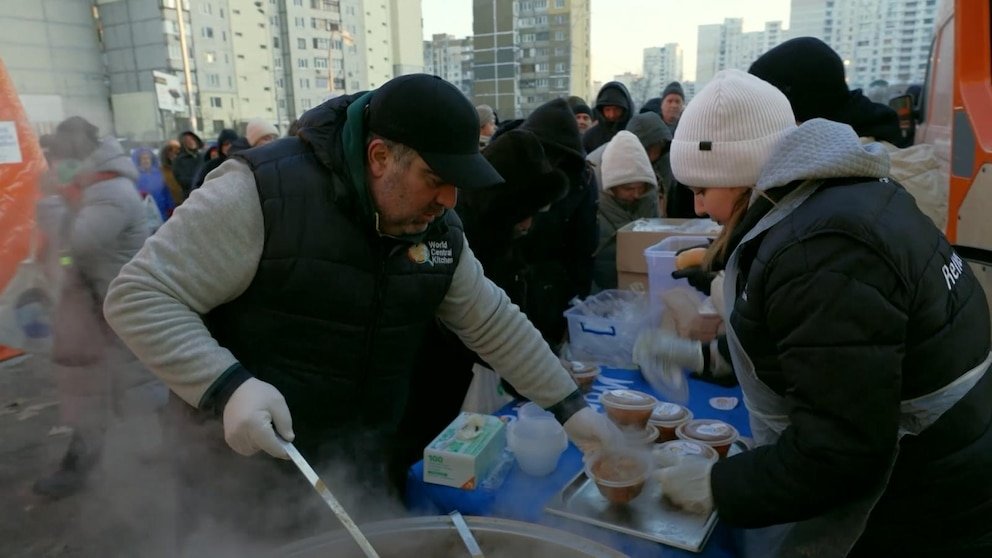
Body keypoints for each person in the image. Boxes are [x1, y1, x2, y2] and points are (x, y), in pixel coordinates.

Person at [103, 74, 617, 548]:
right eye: (435, 177)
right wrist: (227, 386)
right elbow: (139, 294)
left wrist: (570, 409)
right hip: (237, 474)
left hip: (353, 468)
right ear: (379, 156)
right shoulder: (261, 192)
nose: (449, 199)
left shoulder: (437, 230)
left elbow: (493, 321)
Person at [635, 69, 992, 557]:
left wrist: (719, 486)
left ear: (742, 174)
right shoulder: (831, 204)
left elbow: (841, 449)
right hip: (948, 463)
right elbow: (820, 351)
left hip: (925, 504)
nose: (698, 208)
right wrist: (705, 356)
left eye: (701, 190)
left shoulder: (823, 249)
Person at [397, 128, 571, 488]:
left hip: (459, 379)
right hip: (426, 385)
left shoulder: (500, 231)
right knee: (422, 468)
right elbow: (478, 324)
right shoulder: (451, 235)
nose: (529, 223)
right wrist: (530, 375)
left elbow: (502, 316)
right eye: (524, 212)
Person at [32, 117, 165, 499]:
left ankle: (182, 452)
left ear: (81, 155)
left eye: (62, 157)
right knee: (104, 389)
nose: (57, 165)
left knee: (139, 385)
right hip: (101, 310)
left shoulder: (110, 192)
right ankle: (84, 464)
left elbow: (76, 242)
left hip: (120, 309)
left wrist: (52, 200)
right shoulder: (93, 187)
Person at [592, 130, 658, 290]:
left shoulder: (648, 196)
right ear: (611, 186)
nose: (636, 194)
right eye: (628, 188)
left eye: (641, 188)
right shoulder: (590, 194)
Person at [587, 111, 672, 207]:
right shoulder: (601, 166)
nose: (653, 155)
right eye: (648, 149)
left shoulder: (664, 161)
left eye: (659, 145)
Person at [582, 81, 635, 152]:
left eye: (616, 109)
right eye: (607, 110)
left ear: (625, 109)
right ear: (601, 110)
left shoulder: (636, 132)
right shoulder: (590, 137)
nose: (612, 114)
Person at [132, 147, 175, 220]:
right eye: (143, 158)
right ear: (139, 160)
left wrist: (170, 207)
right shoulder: (135, 176)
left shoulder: (158, 174)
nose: (146, 160)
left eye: (148, 158)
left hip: (162, 210)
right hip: (144, 211)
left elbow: (166, 192)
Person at [172, 130, 203, 197]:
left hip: (205, 191)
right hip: (190, 195)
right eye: (187, 140)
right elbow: (181, 179)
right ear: (183, 144)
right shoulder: (179, 160)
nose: (191, 142)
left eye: (192, 139)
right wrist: (199, 181)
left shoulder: (203, 156)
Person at [159, 139, 185, 207]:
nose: (174, 154)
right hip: (169, 206)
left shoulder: (187, 167)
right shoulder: (161, 170)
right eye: (170, 150)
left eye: (177, 152)